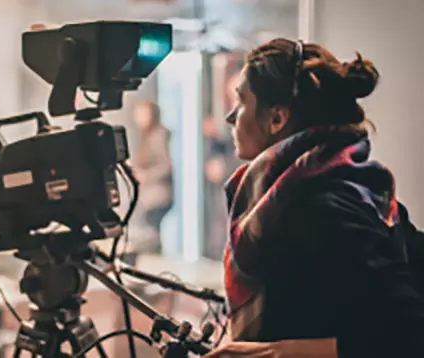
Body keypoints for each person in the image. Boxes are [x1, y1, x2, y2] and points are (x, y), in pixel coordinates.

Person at [205, 39, 424, 357]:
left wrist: (278, 352)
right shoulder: (352, 187)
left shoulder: (320, 208)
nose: (230, 117)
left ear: (276, 119)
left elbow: (408, 335)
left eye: (240, 103)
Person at [130, 100, 173, 254]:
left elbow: (165, 166)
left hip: (157, 195)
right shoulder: (146, 136)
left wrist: (146, 176)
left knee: (152, 234)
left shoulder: (158, 136)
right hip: (150, 195)